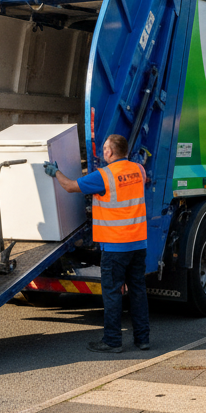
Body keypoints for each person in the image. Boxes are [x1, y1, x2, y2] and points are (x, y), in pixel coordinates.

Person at [44, 133, 150, 353]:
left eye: (104, 149)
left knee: (112, 294)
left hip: (115, 246)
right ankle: (143, 339)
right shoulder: (138, 170)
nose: (103, 152)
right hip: (138, 244)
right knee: (138, 292)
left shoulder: (104, 176)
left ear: (110, 152)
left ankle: (112, 341)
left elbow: (71, 186)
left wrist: (56, 173)